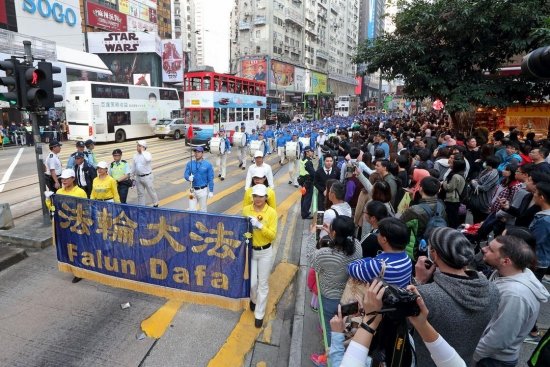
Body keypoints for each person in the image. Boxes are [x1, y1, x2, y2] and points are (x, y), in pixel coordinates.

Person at [414, 227, 500, 367]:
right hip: (463, 360)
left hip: (428, 361)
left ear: (434, 254)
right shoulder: (493, 290)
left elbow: (404, 322)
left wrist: (419, 282)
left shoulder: (427, 295)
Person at [329, 280, 467, 367]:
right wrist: (422, 324)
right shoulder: (406, 342)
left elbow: (341, 363)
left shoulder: (371, 361)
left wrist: (337, 335)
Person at [474, 235, 549, 366]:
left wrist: (473, 355)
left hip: (491, 360)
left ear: (506, 261)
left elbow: (499, 339)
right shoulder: (504, 273)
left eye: (491, 249)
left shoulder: (515, 295)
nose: (484, 249)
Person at [310, 215, 362, 347]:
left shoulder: (325, 253)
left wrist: (311, 236)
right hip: (349, 296)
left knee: (330, 330)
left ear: (334, 233)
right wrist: (333, 234)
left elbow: (312, 261)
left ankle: (328, 358)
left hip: (329, 298)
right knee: (342, 326)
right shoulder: (357, 246)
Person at [242, 184, 277, 328]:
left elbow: (272, 235)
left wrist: (261, 226)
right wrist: (246, 234)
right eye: (255, 196)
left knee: (262, 284)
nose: (258, 199)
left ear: (266, 197)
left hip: (265, 252)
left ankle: (259, 314)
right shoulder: (246, 210)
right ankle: (253, 299)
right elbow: (242, 230)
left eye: (261, 196)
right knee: (252, 283)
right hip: (250, 251)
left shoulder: (272, 213)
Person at [44, 168, 88, 284]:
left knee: (78, 248)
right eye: (62, 179)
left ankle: (79, 272)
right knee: (69, 248)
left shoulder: (80, 192)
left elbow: (86, 209)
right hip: (63, 226)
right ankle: (72, 268)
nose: (64, 181)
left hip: (77, 225)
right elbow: (54, 209)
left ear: (73, 179)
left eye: (66, 178)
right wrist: (48, 200)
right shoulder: (59, 192)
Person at [348, 217, 412, 287]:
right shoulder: (407, 259)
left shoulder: (378, 265)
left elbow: (351, 268)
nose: (377, 234)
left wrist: (369, 260)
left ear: (384, 240)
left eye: (379, 232)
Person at [184, 146, 214, 212]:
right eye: (195, 152)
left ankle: (202, 222)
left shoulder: (207, 164)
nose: (196, 153)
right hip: (192, 191)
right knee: (191, 210)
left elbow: (210, 178)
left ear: (202, 153)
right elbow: (185, 174)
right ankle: (193, 222)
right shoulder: (190, 164)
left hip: (202, 191)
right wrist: (188, 177)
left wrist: (211, 190)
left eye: (198, 152)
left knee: (203, 210)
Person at [530, 181, 550, 280]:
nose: (533, 195)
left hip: (537, 262)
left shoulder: (545, 220)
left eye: (535, 193)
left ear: (541, 198)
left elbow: (534, 241)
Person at [132, 140, 159, 207]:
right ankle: (141, 207)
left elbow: (148, 159)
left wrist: (142, 151)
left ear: (143, 147)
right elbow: (133, 167)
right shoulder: (135, 155)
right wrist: (132, 176)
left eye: (139, 146)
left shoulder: (147, 154)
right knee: (140, 193)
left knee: (151, 191)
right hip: (138, 177)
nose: (137, 147)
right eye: (137, 145)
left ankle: (155, 203)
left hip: (147, 177)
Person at [441, 157, 466, 228]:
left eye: (452, 164)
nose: (451, 165)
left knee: (451, 217)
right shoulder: (461, 174)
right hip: (456, 199)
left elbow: (449, 188)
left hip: (452, 199)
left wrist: (444, 182)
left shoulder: (455, 176)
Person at [299, 146, 316, 219]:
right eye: (311, 151)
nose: (312, 152)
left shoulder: (302, 160)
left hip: (302, 181)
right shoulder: (308, 162)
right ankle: (305, 214)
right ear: (307, 152)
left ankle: (303, 211)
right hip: (308, 181)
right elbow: (313, 173)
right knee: (308, 198)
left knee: (304, 196)